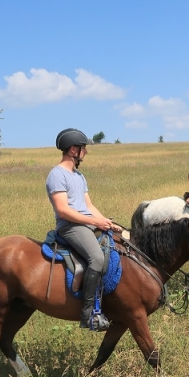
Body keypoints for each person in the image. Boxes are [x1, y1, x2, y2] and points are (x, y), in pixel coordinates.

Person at [46, 128, 120, 332]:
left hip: (85, 223)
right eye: (83, 148)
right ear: (72, 150)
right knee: (96, 258)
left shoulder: (79, 176)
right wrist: (95, 222)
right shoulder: (57, 175)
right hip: (70, 227)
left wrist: (105, 220)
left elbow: (89, 205)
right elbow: (63, 210)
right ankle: (88, 313)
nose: (85, 152)